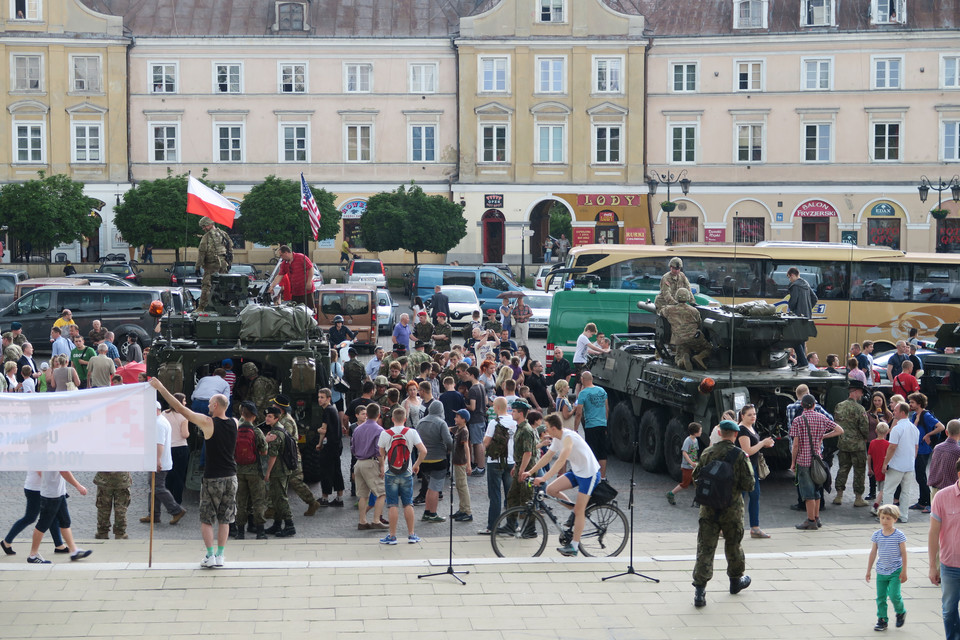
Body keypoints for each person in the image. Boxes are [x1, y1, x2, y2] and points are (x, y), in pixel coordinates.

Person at [150, 377, 237, 569]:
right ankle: (221, 555)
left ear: (215, 405)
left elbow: (181, 409)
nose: (207, 406)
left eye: (209, 404)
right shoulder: (234, 423)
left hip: (213, 477)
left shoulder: (208, 423)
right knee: (225, 518)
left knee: (206, 518)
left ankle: (210, 556)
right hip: (231, 476)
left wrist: (161, 387)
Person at [686, 420, 753, 606]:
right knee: (733, 545)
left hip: (708, 509)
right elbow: (750, 484)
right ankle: (735, 582)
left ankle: (700, 592)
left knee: (705, 548)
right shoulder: (740, 456)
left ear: (721, 433)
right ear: (735, 435)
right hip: (732, 510)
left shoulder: (707, 453)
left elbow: (695, 477)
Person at [521, 413, 603, 558]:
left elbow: (560, 461)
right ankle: (576, 511)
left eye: (546, 428)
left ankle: (574, 546)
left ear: (553, 428)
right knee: (551, 489)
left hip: (589, 474)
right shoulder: (557, 438)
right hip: (578, 471)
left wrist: (544, 477)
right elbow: (546, 457)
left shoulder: (568, 438)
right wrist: (530, 472)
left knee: (579, 511)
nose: (545, 431)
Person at [790, 394, 843, 530]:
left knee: (808, 494)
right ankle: (817, 517)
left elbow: (795, 445)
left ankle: (810, 520)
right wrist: (823, 436)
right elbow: (839, 430)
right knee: (817, 491)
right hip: (818, 460)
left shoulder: (798, 420)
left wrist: (792, 462)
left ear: (802, 405)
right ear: (814, 405)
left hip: (803, 461)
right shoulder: (821, 417)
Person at [378, 407, 427, 545]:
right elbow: (423, 451)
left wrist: (383, 465)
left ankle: (392, 536)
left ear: (392, 419)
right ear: (405, 419)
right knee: (408, 503)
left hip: (390, 472)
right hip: (406, 472)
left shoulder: (385, 433)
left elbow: (381, 453)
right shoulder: (411, 432)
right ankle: (411, 534)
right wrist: (416, 465)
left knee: (392, 504)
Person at [25, 471, 92, 564]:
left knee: (65, 521)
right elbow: (63, 471)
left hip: (59, 492)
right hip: (51, 495)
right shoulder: (54, 456)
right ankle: (33, 555)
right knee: (43, 524)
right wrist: (78, 486)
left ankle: (74, 550)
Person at [928, 458, 960, 640]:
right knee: (949, 609)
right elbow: (933, 533)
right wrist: (932, 566)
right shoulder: (942, 496)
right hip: (950, 566)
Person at [140, 401, 187, 526]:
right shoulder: (160, 421)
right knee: (154, 487)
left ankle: (176, 510)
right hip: (159, 460)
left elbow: (159, 444)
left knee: (157, 487)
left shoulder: (158, 423)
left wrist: (157, 460)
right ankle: (154, 515)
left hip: (158, 461)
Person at [2, 472, 68, 556]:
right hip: (35, 490)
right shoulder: (37, 459)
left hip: (43, 489)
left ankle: (59, 545)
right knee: (30, 517)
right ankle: (7, 542)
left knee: (52, 516)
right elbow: (42, 473)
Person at [867, 504, 908, 632]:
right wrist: (868, 570)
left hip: (895, 571)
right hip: (881, 571)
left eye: (888, 518)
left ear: (895, 519)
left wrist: (904, 570)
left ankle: (900, 611)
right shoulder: (877, 535)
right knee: (880, 597)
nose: (884, 521)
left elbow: (904, 553)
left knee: (894, 595)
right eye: (882, 517)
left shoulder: (899, 535)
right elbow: (873, 552)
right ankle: (882, 619)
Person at [479, 397, 517, 536]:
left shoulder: (494, 423)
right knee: (510, 495)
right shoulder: (514, 422)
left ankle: (493, 526)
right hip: (511, 460)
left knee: (495, 495)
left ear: (497, 407)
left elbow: (486, 442)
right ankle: (513, 525)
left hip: (495, 461)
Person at [736, 406, 775, 538]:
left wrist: (766, 444)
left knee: (754, 496)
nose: (753, 417)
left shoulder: (751, 428)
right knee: (739, 498)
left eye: (754, 414)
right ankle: (730, 526)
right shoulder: (742, 430)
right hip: (743, 468)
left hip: (752, 467)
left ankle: (755, 527)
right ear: (742, 416)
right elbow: (747, 450)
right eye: (749, 415)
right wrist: (763, 443)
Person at [833, 379, 870, 507]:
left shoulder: (839, 406)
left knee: (843, 468)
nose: (861, 395)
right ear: (856, 391)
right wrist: (865, 437)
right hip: (857, 445)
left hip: (843, 443)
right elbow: (864, 427)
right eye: (861, 392)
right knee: (859, 471)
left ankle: (838, 495)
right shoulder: (860, 409)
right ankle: (858, 498)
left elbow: (836, 423)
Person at [882, 401, 920, 523]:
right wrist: (911, 460)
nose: (893, 412)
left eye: (895, 410)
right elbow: (916, 448)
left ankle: (887, 517)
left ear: (902, 412)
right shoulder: (914, 428)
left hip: (896, 465)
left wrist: (885, 463)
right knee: (906, 492)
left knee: (888, 490)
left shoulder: (897, 429)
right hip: (909, 465)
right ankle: (904, 516)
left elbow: (892, 447)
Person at [352, 403, 388, 531]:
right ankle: (376, 520)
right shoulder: (379, 430)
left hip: (359, 463)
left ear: (366, 414)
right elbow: (379, 451)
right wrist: (382, 466)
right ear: (378, 415)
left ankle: (362, 521)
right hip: (371, 463)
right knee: (381, 493)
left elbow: (353, 448)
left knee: (363, 495)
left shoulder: (357, 429)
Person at [416, 400, 454, 523]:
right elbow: (448, 441)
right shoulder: (441, 423)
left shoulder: (420, 422)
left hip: (424, 460)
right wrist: (450, 449)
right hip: (438, 459)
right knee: (435, 488)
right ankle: (433, 513)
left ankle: (427, 512)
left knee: (429, 487)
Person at [908, 392, 945, 512]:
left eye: (912, 402)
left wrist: (928, 434)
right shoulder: (915, 415)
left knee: (922, 476)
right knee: (919, 476)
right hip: (917, 448)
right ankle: (922, 501)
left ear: (919, 403)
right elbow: (913, 429)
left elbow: (941, 427)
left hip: (924, 449)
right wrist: (917, 420)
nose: (910, 404)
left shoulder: (926, 415)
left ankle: (928, 502)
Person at [660, 288, 711, 371]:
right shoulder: (694, 311)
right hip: (694, 337)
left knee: (678, 357)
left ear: (676, 297)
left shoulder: (669, 310)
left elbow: (661, 313)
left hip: (679, 339)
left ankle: (683, 360)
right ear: (688, 297)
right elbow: (699, 323)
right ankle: (699, 357)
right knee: (709, 348)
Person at [263, 407, 295, 537]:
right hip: (283, 469)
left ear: (276, 418)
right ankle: (277, 524)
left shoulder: (276, 433)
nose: (267, 418)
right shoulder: (280, 428)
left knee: (281, 498)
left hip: (278, 470)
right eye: (267, 416)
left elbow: (273, 456)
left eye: (270, 416)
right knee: (276, 498)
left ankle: (289, 525)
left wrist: (268, 472)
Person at [575, 371, 609, 479]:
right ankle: (602, 477)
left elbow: (579, 413)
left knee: (591, 452)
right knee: (602, 452)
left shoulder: (583, 393)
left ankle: (593, 476)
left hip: (591, 425)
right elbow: (606, 408)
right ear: (592, 379)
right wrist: (605, 423)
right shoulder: (602, 391)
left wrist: (575, 429)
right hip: (602, 424)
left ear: (582, 380)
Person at [195, 216, 232, 312]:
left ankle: (201, 307)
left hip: (211, 265)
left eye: (204, 226)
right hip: (224, 264)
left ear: (210, 224)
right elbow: (230, 248)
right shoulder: (223, 234)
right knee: (223, 285)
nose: (203, 229)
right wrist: (229, 263)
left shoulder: (206, 237)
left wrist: (197, 267)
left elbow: (201, 252)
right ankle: (226, 305)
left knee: (206, 286)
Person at [316, 388, 345, 507]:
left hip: (329, 446)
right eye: (319, 397)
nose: (319, 399)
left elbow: (323, 430)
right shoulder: (333, 409)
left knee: (325, 472)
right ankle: (339, 498)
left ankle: (324, 498)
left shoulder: (327, 410)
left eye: (322, 397)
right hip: (337, 445)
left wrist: (319, 443)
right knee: (337, 471)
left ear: (328, 398)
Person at [785, 267, 817, 369]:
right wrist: (807, 309)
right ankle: (801, 363)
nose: (790, 280)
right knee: (801, 339)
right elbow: (815, 299)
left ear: (793, 275)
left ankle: (803, 363)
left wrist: (792, 309)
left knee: (795, 339)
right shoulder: (806, 284)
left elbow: (793, 302)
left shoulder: (795, 286)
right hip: (806, 317)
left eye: (789, 277)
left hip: (797, 317)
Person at [269, 245, 315, 310]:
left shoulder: (301, 257)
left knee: (309, 310)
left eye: (281, 255)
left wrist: (309, 282)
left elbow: (311, 268)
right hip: (295, 292)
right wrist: (272, 286)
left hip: (306, 291)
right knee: (295, 311)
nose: (281, 257)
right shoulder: (284, 264)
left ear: (286, 253)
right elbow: (279, 275)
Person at [667, 422, 702, 506]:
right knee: (685, 483)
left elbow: (695, 452)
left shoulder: (695, 440)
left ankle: (699, 499)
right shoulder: (688, 440)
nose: (701, 432)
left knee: (698, 481)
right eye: (700, 431)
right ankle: (671, 494)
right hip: (687, 466)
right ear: (695, 432)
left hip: (693, 465)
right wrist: (691, 462)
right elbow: (684, 453)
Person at [451, 408, 473, 523]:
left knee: (463, 487)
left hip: (461, 462)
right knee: (459, 486)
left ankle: (467, 511)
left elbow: (466, 447)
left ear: (463, 419)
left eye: (457, 417)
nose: (455, 418)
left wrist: (469, 464)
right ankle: (462, 508)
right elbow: (448, 429)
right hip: (457, 461)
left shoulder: (464, 431)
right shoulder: (458, 428)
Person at [929, 420, 960, 503]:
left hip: (935, 489)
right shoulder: (958, 451)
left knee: (935, 514)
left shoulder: (937, 448)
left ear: (946, 432)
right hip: (951, 490)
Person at [869, 422, 892, 514]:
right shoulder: (888, 444)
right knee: (884, 489)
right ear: (887, 432)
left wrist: (870, 468)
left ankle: (880, 505)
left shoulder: (872, 442)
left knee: (882, 488)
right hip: (885, 468)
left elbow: (869, 456)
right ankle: (875, 506)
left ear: (876, 431)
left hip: (876, 468)